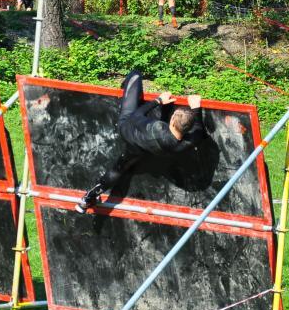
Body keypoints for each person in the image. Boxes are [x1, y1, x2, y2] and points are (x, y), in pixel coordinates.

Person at [76, 70, 205, 213]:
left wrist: (158, 101)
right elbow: (199, 129)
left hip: (127, 129)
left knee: (135, 75)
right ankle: (85, 200)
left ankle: (89, 198)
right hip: (140, 151)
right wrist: (197, 109)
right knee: (117, 169)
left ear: (173, 121)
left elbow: (136, 116)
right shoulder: (187, 143)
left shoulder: (157, 128)